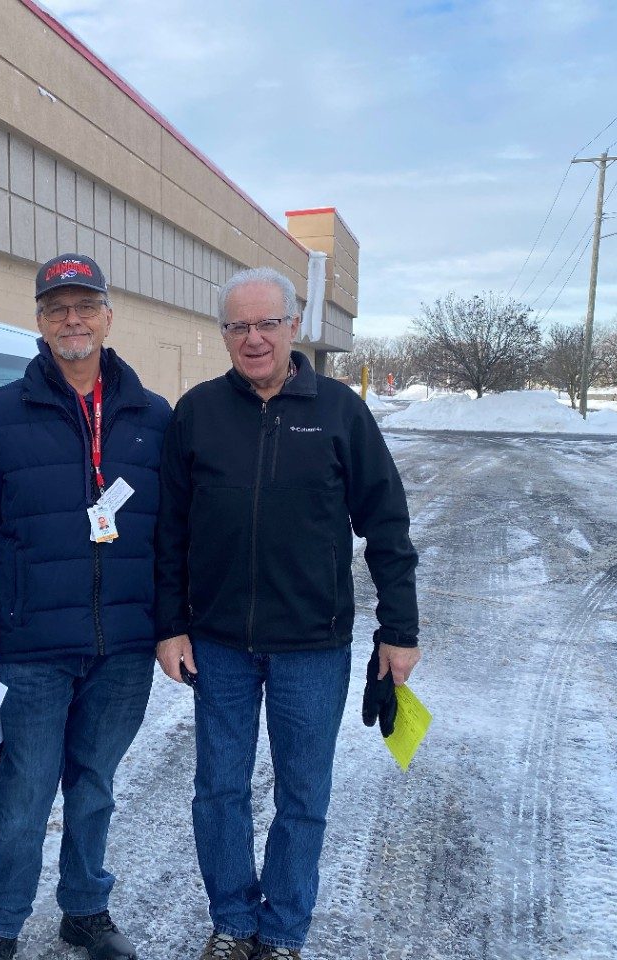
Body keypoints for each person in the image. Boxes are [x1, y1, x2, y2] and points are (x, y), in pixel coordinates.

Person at [154, 267, 421, 960]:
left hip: (312, 644)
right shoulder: (198, 412)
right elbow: (168, 530)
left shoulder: (337, 410)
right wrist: (169, 623)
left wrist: (400, 629)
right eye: (238, 326)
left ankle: (282, 932)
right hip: (217, 643)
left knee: (302, 795)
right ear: (224, 334)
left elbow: (386, 523)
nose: (253, 338)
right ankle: (234, 920)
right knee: (218, 790)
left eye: (266, 322)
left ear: (292, 327)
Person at [0, 254, 171, 960]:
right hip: (32, 645)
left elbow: (175, 533)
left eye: (83, 305)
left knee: (94, 786)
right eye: (55, 308)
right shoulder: (0, 416)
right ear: (39, 322)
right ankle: (0, 924)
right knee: (26, 790)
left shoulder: (153, 417)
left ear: (108, 314)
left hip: (125, 645)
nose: (71, 319)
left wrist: (173, 626)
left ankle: (85, 908)